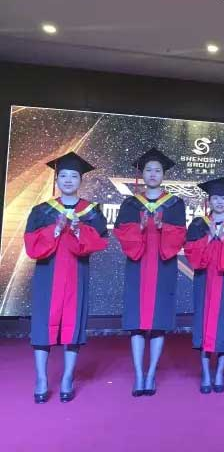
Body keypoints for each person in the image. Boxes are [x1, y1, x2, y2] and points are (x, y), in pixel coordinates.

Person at [24, 152, 108, 403]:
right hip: (47, 275)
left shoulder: (91, 212)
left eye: (73, 176)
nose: (68, 180)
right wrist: (57, 229)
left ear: (81, 180)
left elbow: (100, 241)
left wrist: (78, 230)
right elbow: (32, 246)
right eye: (63, 175)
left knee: (73, 327)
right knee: (43, 325)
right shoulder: (41, 211)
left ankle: (68, 377)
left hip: (76, 274)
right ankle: (41, 379)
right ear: (57, 179)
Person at [113, 148, 186, 396]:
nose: (153, 174)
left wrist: (163, 227)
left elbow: (179, 236)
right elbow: (122, 234)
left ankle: (151, 373)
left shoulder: (175, 204)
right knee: (136, 323)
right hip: (137, 267)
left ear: (163, 175)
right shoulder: (130, 203)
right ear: (142, 174)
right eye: (148, 170)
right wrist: (140, 228)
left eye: (157, 170)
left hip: (163, 267)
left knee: (158, 323)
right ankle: (138, 375)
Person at [184, 177, 224, 394]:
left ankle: (219, 372)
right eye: (215, 198)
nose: (219, 202)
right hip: (205, 282)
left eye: (223, 198)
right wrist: (209, 238)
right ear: (209, 201)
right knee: (204, 323)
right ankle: (205, 373)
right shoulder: (198, 225)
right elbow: (191, 253)